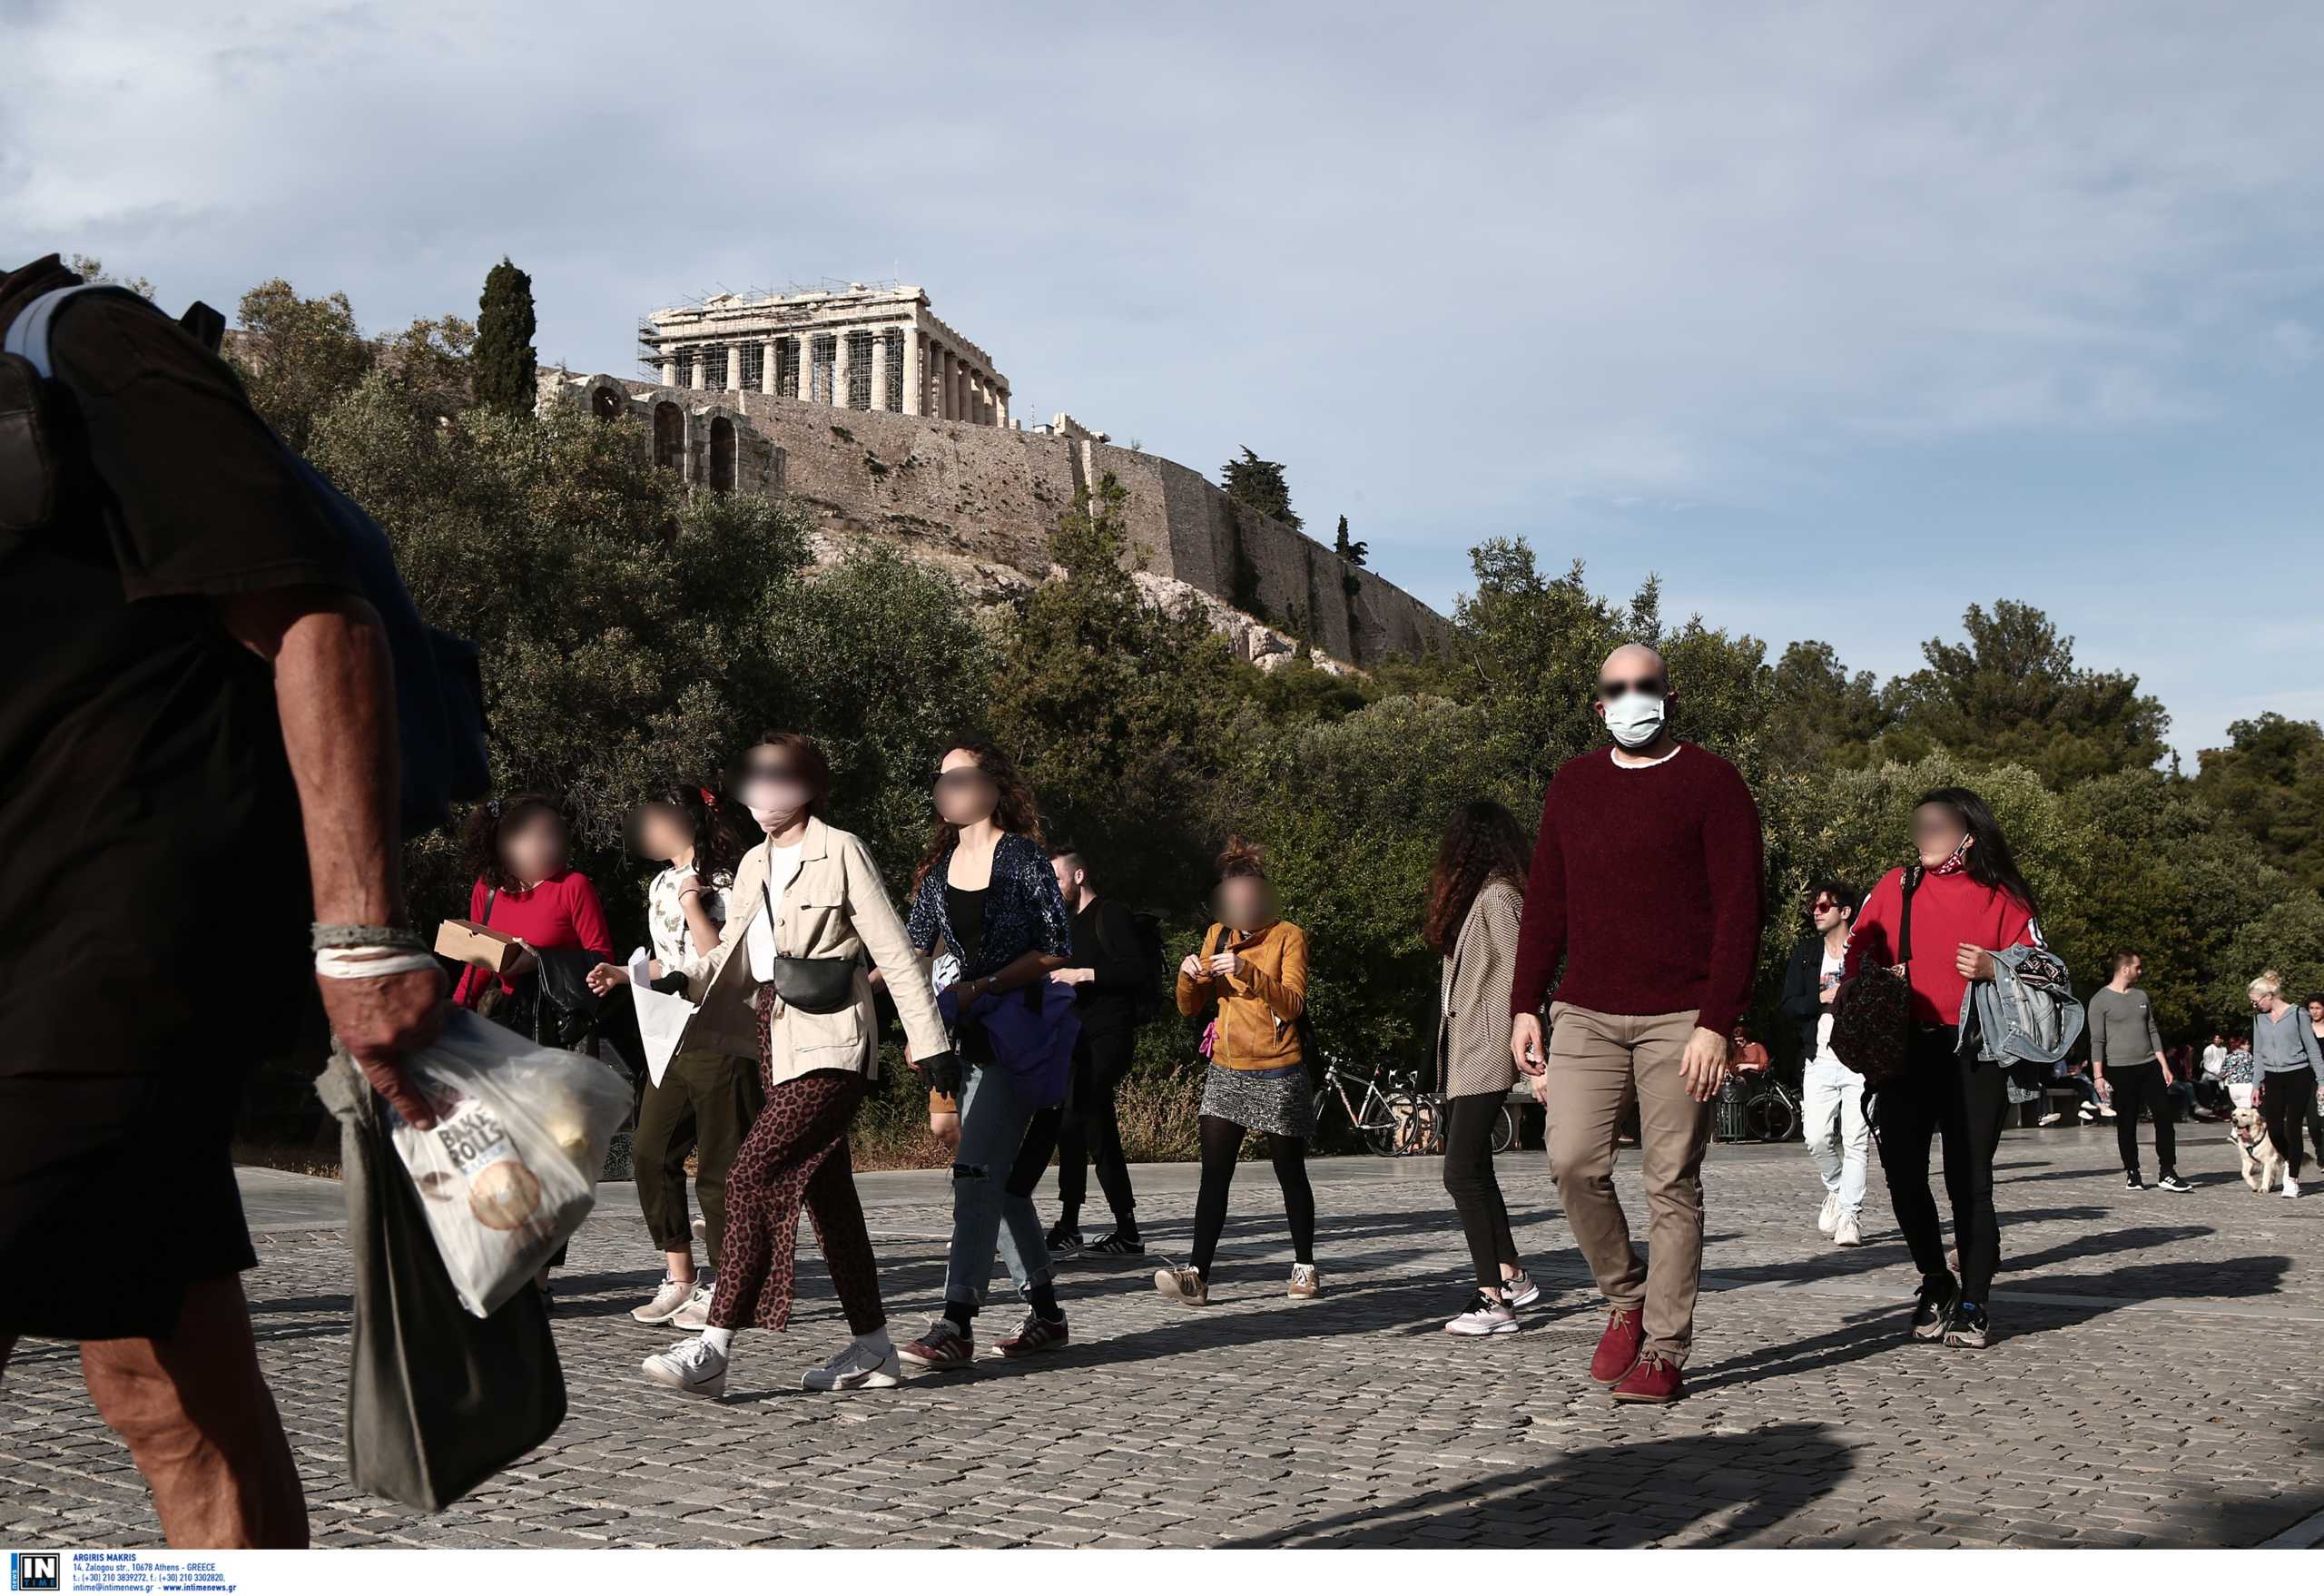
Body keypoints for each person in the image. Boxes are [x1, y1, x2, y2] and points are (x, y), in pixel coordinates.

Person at [1, 254, 440, 1547]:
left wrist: (361, 935)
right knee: (161, 1385)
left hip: (105, 962)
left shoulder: (87, 341)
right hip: (33, 962)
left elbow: (316, 618)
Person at [638, 734, 955, 1397]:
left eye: (776, 778)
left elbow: (895, 953)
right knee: (831, 1202)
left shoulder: (840, 850)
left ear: (807, 786)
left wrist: (932, 1049)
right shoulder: (755, 862)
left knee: (751, 1174)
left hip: (836, 1040)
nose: (761, 793)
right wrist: (669, 975)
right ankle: (874, 1347)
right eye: (752, 780)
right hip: (776, 1042)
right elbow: (725, 957)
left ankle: (715, 1347)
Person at [1506, 644, 1765, 1404]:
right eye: (1616, 688)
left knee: (1670, 1183)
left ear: (1669, 695)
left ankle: (1664, 1347)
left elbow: (1740, 913)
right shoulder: (1574, 785)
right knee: (1572, 1162)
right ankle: (1625, 1297)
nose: (1630, 697)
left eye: (1643, 685)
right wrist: (1526, 1002)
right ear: (1599, 705)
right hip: (1583, 1009)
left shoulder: (1713, 782)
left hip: (1682, 1018)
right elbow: (1546, 904)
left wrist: (1718, 1023)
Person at [1846, 786, 2060, 1351]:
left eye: (1938, 826)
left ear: (1969, 832)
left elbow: (2049, 972)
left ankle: (1975, 1299)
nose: (1925, 837)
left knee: (1971, 1180)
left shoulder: (2002, 897)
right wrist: (1869, 980)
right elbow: (1854, 954)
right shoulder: (1896, 885)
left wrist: (1997, 965)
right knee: (1901, 1174)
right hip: (1904, 1051)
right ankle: (1936, 1281)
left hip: (1974, 1053)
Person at [897, 741, 1077, 1369]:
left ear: (993, 788)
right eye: (941, 779)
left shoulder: (1024, 858)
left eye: (962, 778)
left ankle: (956, 1322)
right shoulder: (941, 868)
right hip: (966, 1039)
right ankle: (1048, 1315)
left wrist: (987, 984)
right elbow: (908, 954)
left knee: (973, 1172)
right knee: (997, 1184)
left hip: (1021, 1033)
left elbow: (1058, 947)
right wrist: (844, 988)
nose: (949, 789)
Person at [586, 785, 757, 1329]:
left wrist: (693, 901)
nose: (649, 832)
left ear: (685, 820)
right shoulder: (659, 883)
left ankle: (729, 1287)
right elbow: (672, 961)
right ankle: (679, 1278)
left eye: (657, 821)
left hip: (723, 1032)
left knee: (719, 1168)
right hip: (670, 1033)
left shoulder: (730, 878)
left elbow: (720, 958)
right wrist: (621, 973)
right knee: (648, 1151)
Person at [1155, 838, 1322, 1306]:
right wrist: (1189, 975)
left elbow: (1292, 1006)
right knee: (1214, 1175)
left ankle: (1305, 1265)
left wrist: (1248, 972)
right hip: (1227, 1069)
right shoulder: (1216, 934)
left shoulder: (1289, 936)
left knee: (1290, 1172)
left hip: (1278, 1070)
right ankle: (1197, 1274)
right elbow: (1190, 1008)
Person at [1427, 801, 1542, 1335]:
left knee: (1460, 1172)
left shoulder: (1499, 899)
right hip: (1468, 1050)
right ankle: (1512, 1275)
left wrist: (1535, 1062)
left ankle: (1491, 1300)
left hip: (1488, 1048)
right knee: (1475, 1169)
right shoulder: (1482, 900)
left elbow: (1524, 978)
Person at [1018, 842, 1147, 1257]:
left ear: (1078, 876)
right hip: (1071, 1041)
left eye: (1056, 879)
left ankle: (1079, 1224)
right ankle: (1116, 1229)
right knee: (1090, 1126)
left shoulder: (1111, 914)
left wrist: (1084, 974)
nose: (1052, 889)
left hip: (1108, 1037)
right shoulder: (1062, 926)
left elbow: (1136, 971)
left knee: (1076, 1119)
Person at [1780, 877, 1870, 1246]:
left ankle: (1850, 1215)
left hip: (1859, 1060)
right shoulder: (1805, 954)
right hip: (1819, 1058)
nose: (1815, 913)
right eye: (1813, 908)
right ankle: (1836, 1189)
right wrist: (1822, 997)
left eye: (1823, 907)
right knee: (1816, 1137)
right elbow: (1787, 1006)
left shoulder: (1865, 954)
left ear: (1845, 912)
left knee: (1856, 1140)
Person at [2088, 952, 2189, 1192]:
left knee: (2164, 1116)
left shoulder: (2141, 996)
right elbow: (2097, 1041)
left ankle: (2168, 1171)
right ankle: (2132, 1172)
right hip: (2119, 1069)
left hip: (2149, 1065)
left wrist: (2164, 1065)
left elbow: (2152, 1031)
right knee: (2127, 1121)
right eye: (2138, 967)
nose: (2140, 971)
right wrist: (2098, 1076)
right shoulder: (2099, 1000)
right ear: (2124, 969)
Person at [2249, 971, 2324, 1198]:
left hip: (2298, 1076)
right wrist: (2255, 1085)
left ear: (2269, 996)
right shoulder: (2258, 1019)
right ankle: (2294, 1160)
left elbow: (2312, 1049)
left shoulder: (2298, 1014)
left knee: (2292, 1127)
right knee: (2274, 1129)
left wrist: (2322, 1081)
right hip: (2272, 1078)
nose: (2254, 1006)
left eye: (2256, 1001)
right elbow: (2259, 1053)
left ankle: (2292, 1178)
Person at [2222, 1034, 2258, 1111]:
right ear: (2240, 1045)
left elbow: (2223, 1071)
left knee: (2239, 1111)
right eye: (2246, 1044)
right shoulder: (2248, 1056)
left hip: (2233, 1086)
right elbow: (2254, 1070)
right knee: (2246, 1112)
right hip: (2246, 1085)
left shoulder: (2228, 1057)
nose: (2249, 1046)